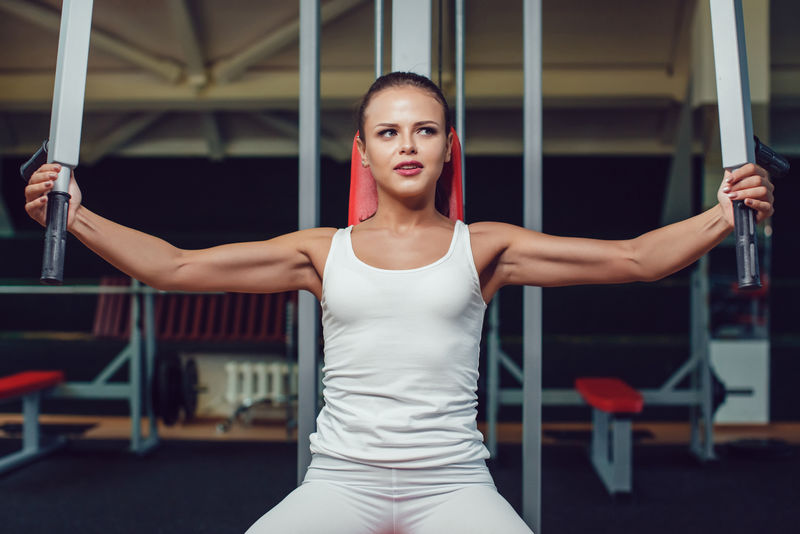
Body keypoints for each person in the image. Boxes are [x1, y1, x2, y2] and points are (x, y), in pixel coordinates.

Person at [24, 72, 774, 534]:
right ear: (364, 153)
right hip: (340, 481)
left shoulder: (487, 247)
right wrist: (75, 214)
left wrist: (725, 211)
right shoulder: (322, 251)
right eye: (388, 132)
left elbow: (636, 260)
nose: (406, 144)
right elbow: (176, 267)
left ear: (449, 146)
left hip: (453, 483)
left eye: (424, 130)